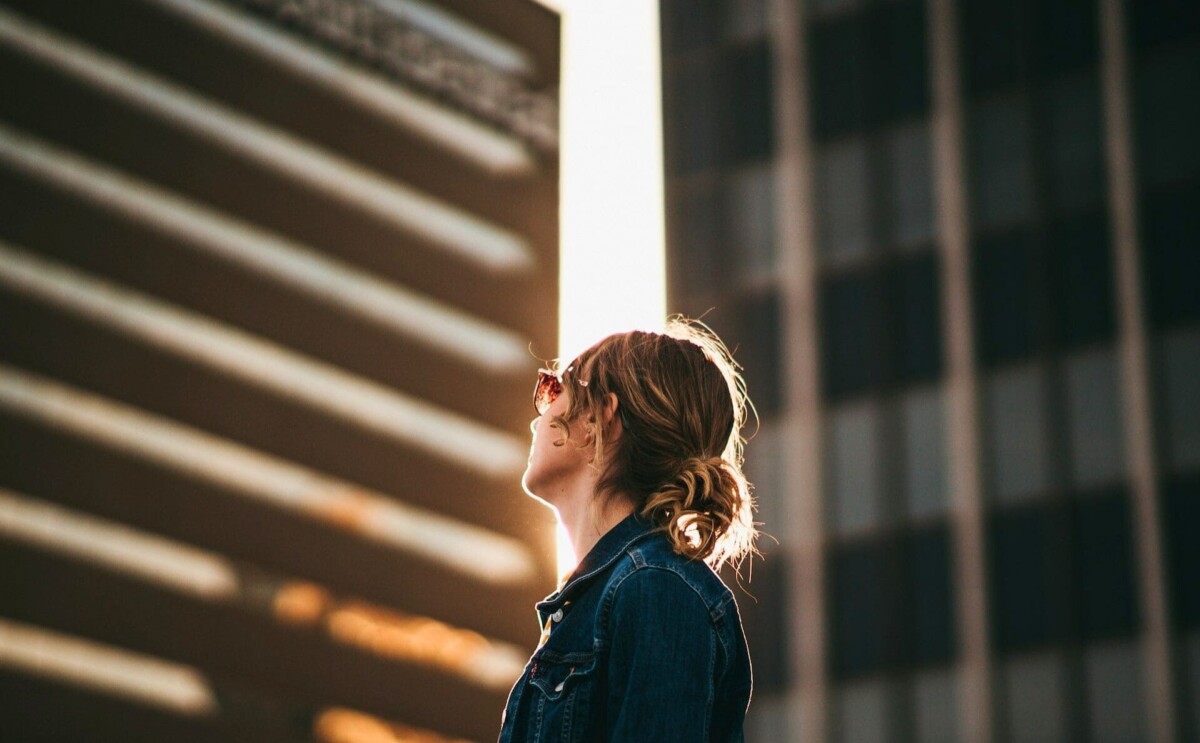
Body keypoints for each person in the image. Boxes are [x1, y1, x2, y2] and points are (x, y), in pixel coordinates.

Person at [498, 318, 758, 743]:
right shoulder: (607, 599)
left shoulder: (655, 586)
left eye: (553, 390)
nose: (537, 418)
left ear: (602, 416)